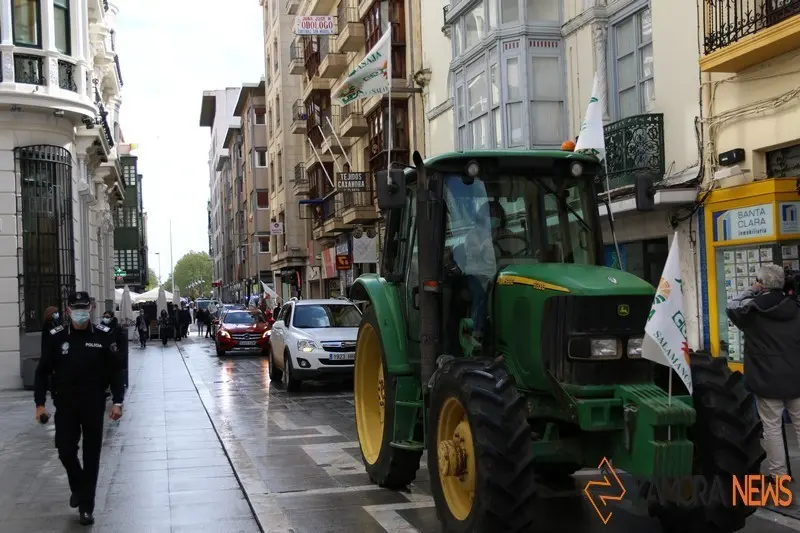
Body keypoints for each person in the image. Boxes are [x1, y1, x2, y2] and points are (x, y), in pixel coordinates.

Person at [33, 292, 124, 526]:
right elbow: (42, 372)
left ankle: (86, 508)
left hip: (93, 403)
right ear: (68, 311)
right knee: (65, 450)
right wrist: (40, 404)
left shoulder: (103, 336)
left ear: (91, 308)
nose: (80, 312)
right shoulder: (56, 337)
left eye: (84, 308)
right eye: (76, 308)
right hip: (66, 404)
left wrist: (117, 401)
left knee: (91, 456)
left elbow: (115, 370)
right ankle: (79, 486)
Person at [727, 264, 800, 483]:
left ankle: (779, 476)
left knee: (772, 428)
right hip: (796, 377)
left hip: (766, 379)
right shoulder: (795, 307)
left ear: (761, 283)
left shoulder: (752, 310)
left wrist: (752, 290)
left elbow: (731, 306)